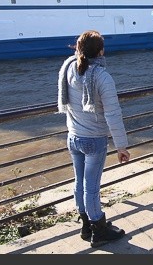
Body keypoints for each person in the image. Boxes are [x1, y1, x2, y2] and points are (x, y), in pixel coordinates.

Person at [57, 30, 130, 247]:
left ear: (78, 49)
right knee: (91, 187)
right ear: (100, 51)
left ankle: (85, 226)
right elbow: (112, 113)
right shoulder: (101, 76)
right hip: (94, 140)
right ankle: (98, 229)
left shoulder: (68, 68)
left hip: (73, 136)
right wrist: (121, 146)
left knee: (79, 183)